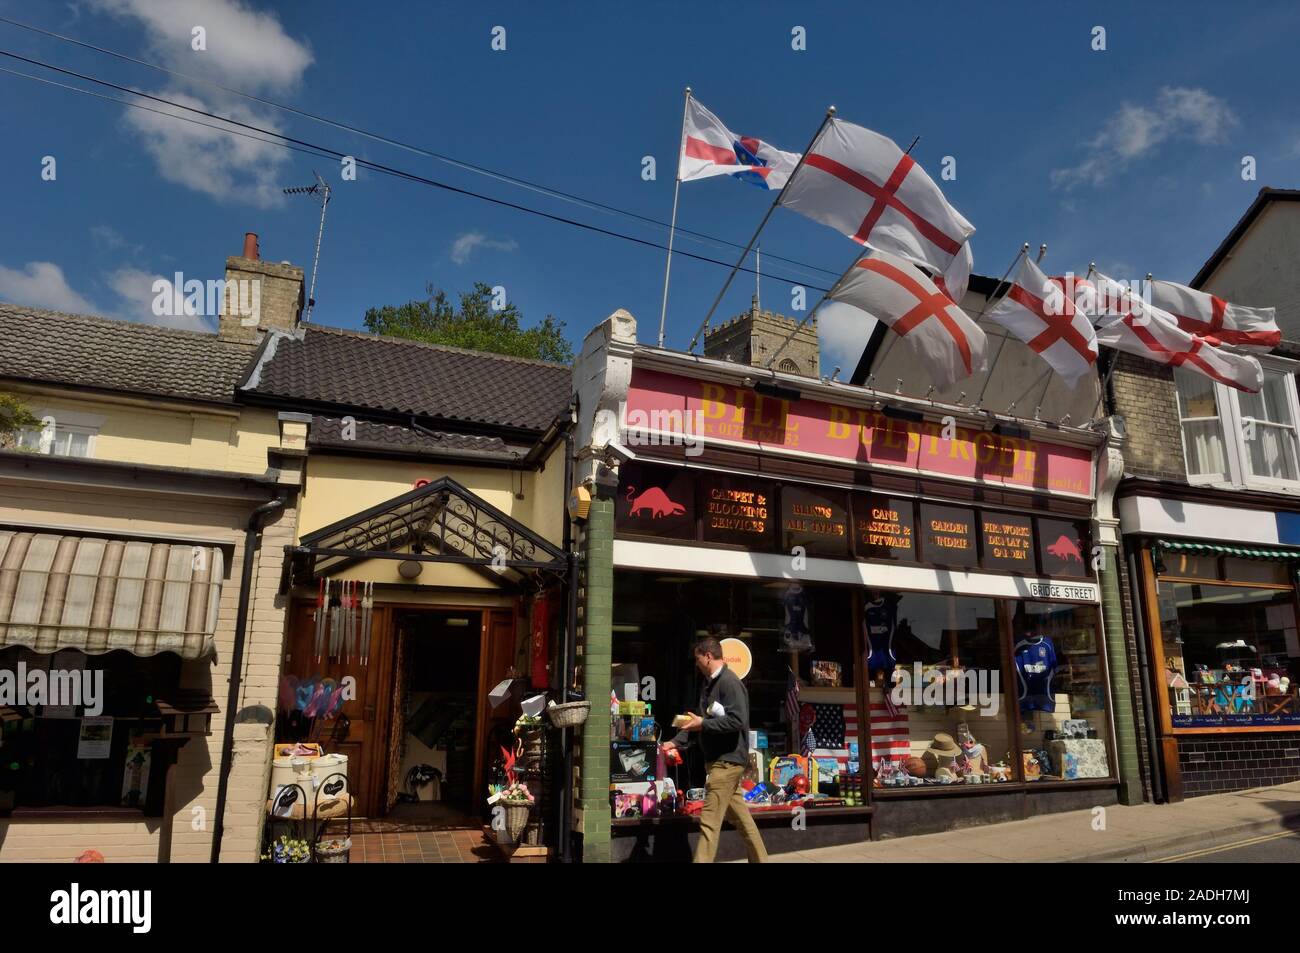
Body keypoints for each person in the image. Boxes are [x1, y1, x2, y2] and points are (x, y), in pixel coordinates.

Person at [661, 636, 768, 863]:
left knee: (709, 823)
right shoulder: (708, 685)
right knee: (743, 821)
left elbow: (737, 720)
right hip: (720, 762)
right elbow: (699, 722)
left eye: (698, 659)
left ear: (708, 656)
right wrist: (675, 741)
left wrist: (704, 723)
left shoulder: (730, 683)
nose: (696, 664)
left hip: (726, 763)